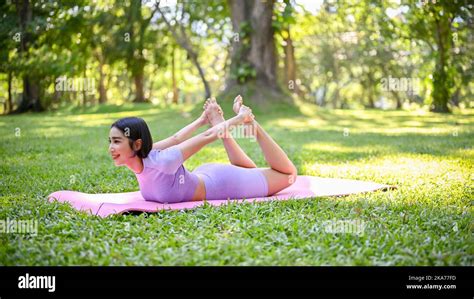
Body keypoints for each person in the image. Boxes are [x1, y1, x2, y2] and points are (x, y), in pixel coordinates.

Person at [108, 95, 297, 203]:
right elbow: (176, 138)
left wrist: (241, 119)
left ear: (137, 144)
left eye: (116, 141)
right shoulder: (143, 155)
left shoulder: (163, 161)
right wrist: (201, 120)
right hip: (205, 175)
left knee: (288, 174)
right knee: (251, 172)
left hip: (221, 183)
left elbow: (207, 136)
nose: (111, 148)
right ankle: (219, 122)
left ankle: (250, 121)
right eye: (111, 141)